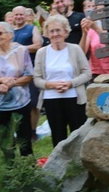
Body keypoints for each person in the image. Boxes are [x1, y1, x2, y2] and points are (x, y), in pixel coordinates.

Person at [33, 15, 92, 147]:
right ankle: (59, 166)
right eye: (51, 31)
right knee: (58, 135)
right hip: (51, 99)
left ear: (66, 32)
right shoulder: (42, 53)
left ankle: (79, 164)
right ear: (47, 34)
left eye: (58, 30)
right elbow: (36, 79)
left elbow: (87, 73)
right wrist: (50, 85)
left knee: (78, 134)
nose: (55, 34)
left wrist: (70, 83)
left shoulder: (75, 49)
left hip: (74, 98)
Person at [0, 21, 34, 156]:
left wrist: (10, 83)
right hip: (0, 106)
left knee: (25, 142)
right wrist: (1, 80)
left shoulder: (22, 51)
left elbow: (29, 76)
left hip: (21, 103)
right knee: (6, 145)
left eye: (0, 33)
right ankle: (11, 174)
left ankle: (29, 172)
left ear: (10, 35)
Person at [11, 5, 43, 141]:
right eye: (16, 15)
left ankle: (33, 131)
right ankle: (19, 132)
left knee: (33, 104)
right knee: (15, 103)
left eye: (21, 14)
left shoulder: (31, 28)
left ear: (25, 15)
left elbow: (38, 45)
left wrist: (21, 48)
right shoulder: (9, 31)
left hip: (30, 71)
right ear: (12, 16)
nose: (18, 17)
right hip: (13, 73)